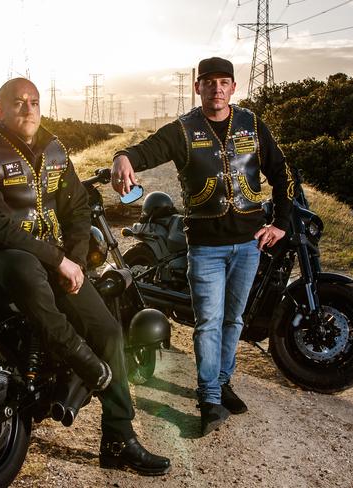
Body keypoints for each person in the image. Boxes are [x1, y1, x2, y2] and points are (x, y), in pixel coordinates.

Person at [0, 77, 171, 475]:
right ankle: (83, 361)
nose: (28, 109)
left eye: (34, 102)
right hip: (2, 256)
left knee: (107, 330)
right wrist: (59, 262)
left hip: (54, 259)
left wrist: (74, 261)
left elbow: (77, 210)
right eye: (18, 103)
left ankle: (119, 440)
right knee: (24, 268)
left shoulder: (55, 150)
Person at [112, 57, 293, 436]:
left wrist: (280, 224)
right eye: (209, 82)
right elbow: (146, 149)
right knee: (209, 322)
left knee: (234, 320)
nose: (217, 89)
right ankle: (209, 397)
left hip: (248, 244)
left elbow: (283, 173)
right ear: (198, 87)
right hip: (206, 248)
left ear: (233, 87)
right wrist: (123, 157)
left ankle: (223, 382)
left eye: (223, 82)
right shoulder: (183, 129)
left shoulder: (253, 125)